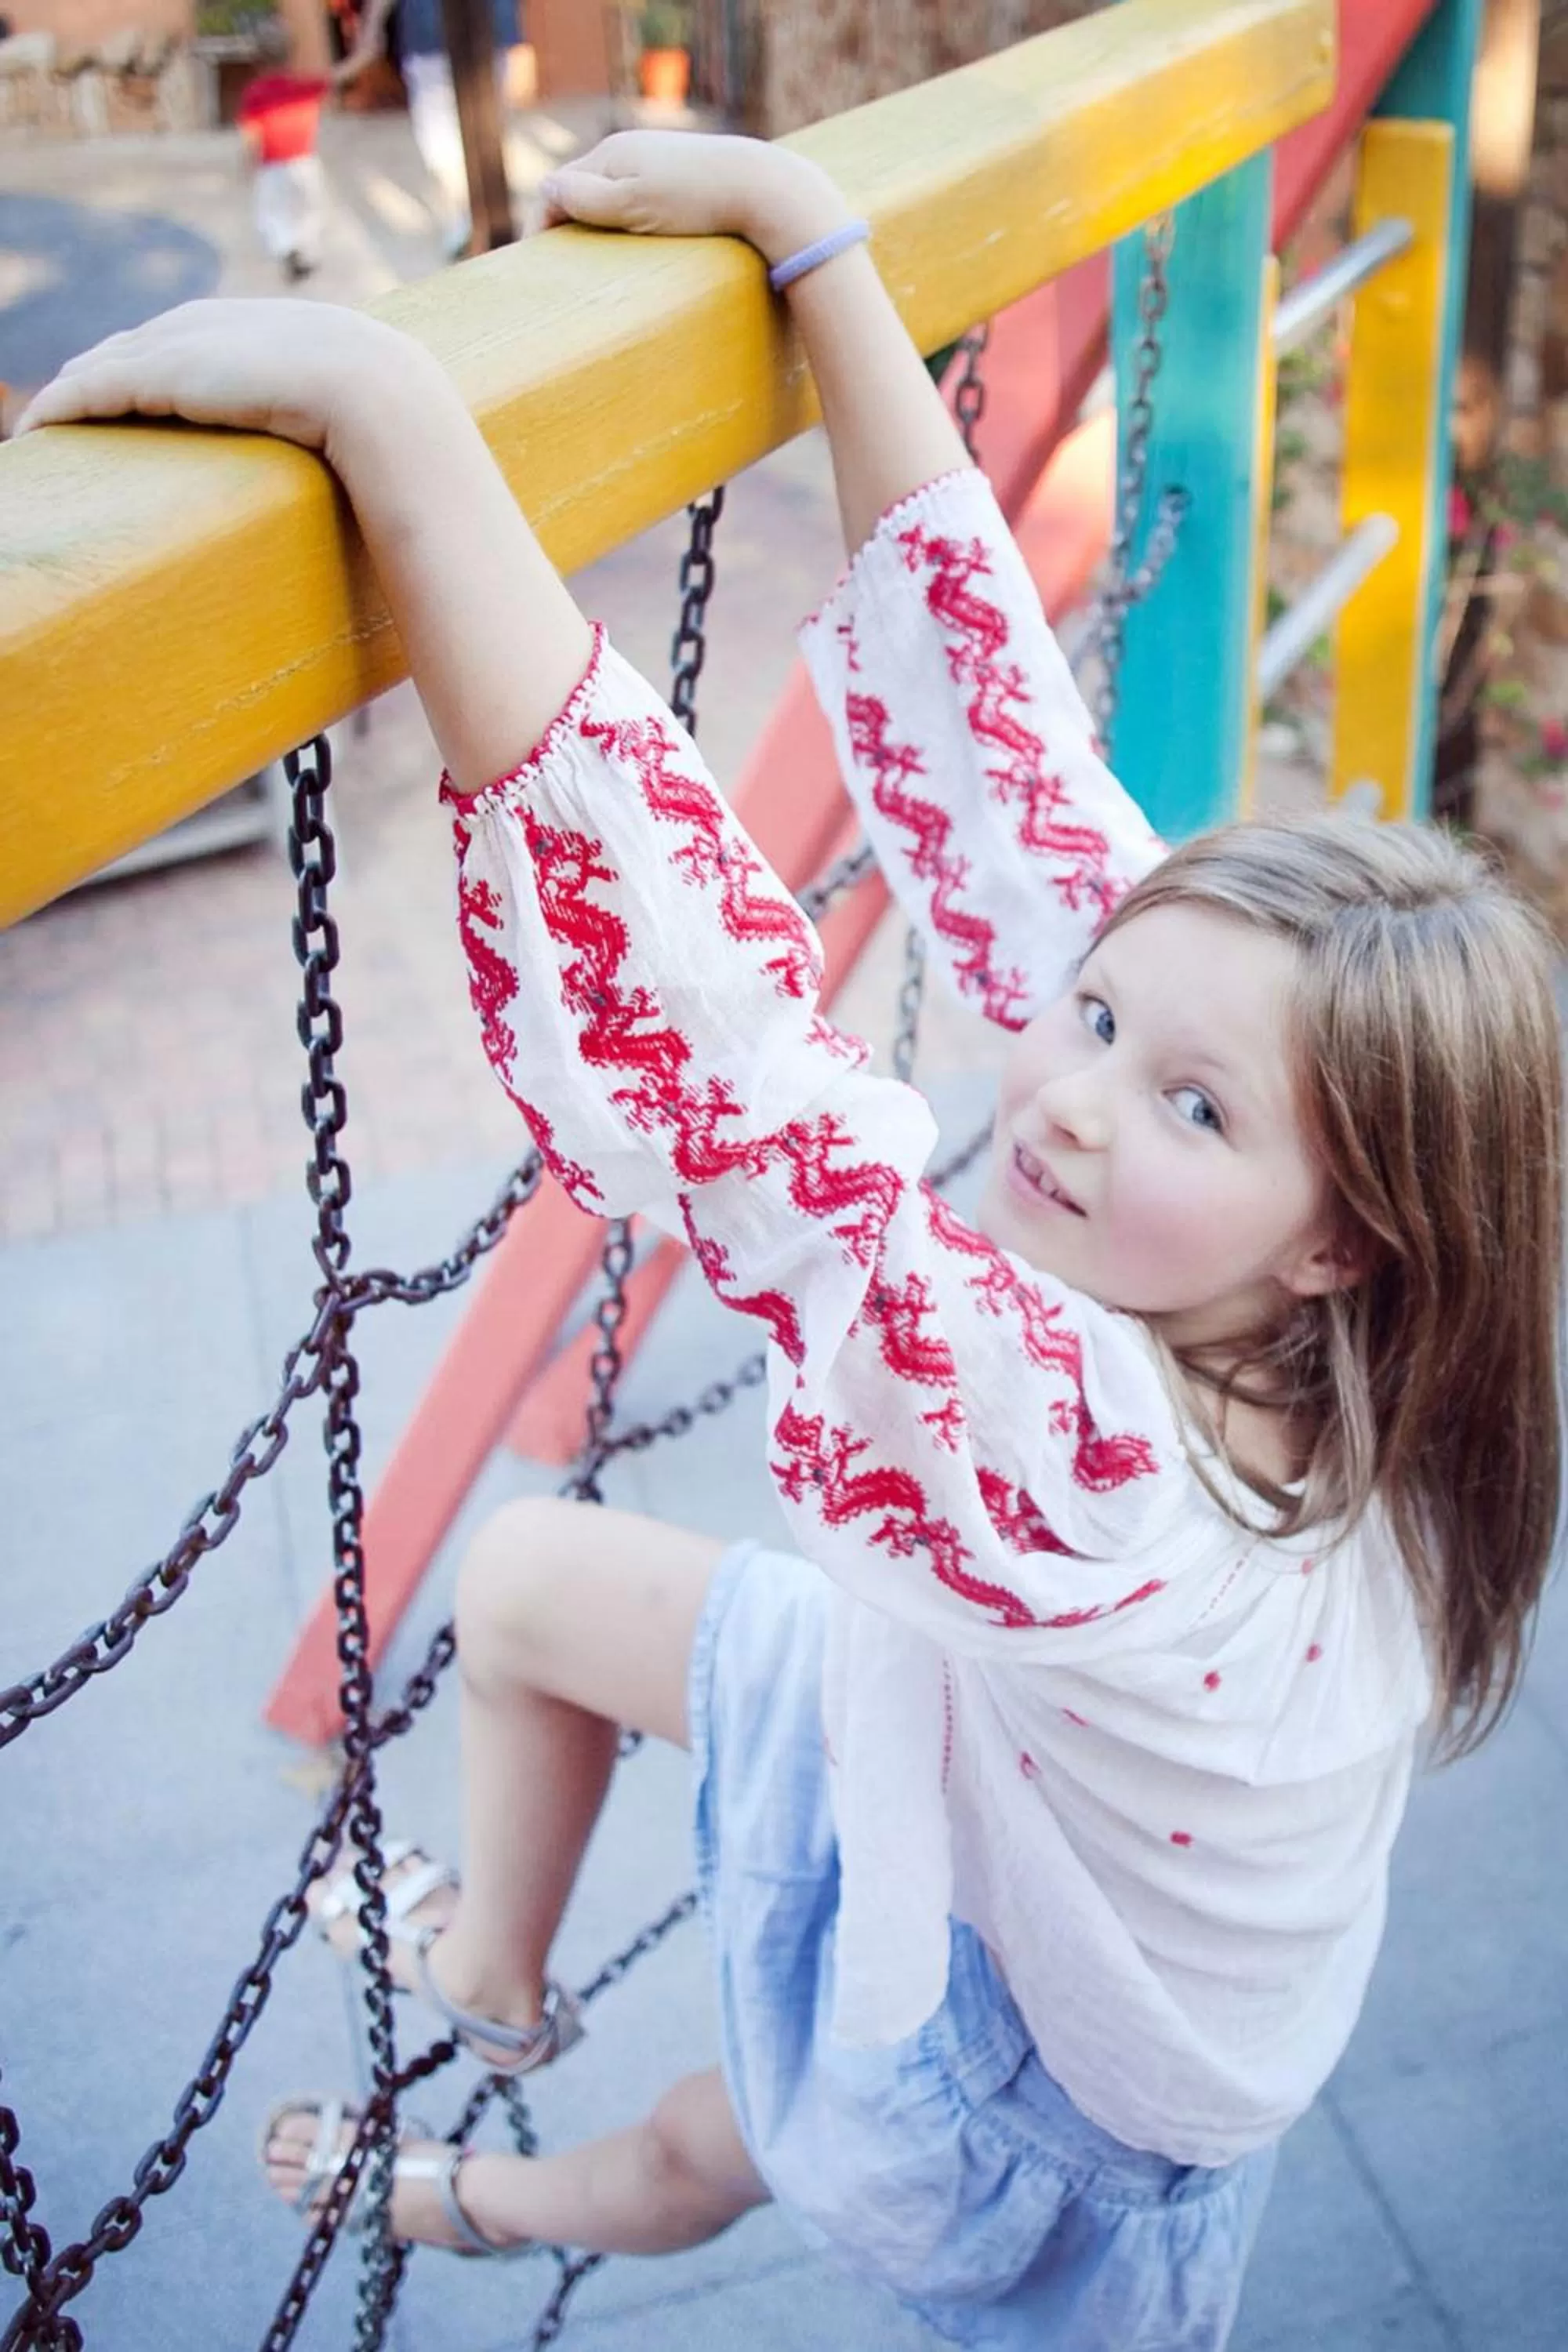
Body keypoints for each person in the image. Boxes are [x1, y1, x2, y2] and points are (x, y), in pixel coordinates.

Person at [20, 131, 1563, 2346]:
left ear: (1340, 1244)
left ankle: (452, 2195)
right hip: (1032, 1775)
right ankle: (492, 1985)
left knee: (691, 2153)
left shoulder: (1095, 1453)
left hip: (1050, 2086)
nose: (1072, 1087)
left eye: (1190, 1102)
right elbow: (1027, 804)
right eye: (1109, 1025)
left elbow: (750, 1086)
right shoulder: (1352, 1314)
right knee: (535, 1581)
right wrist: (820, 249)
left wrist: (396, 427)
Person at [336, 0, 522, 257]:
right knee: (450, 138)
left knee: (469, 134)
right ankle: (473, 216)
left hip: (464, 32)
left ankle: (475, 217)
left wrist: (370, 33)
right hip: (445, 33)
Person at [236, 67, 333, 284]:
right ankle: (306, 250)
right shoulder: (306, 86)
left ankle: (287, 250)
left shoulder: (256, 92)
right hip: (304, 160)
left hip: (272, 164)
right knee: (311, 207)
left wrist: (248, 163)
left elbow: (251, 133)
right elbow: (341, 74)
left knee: (271, 213)